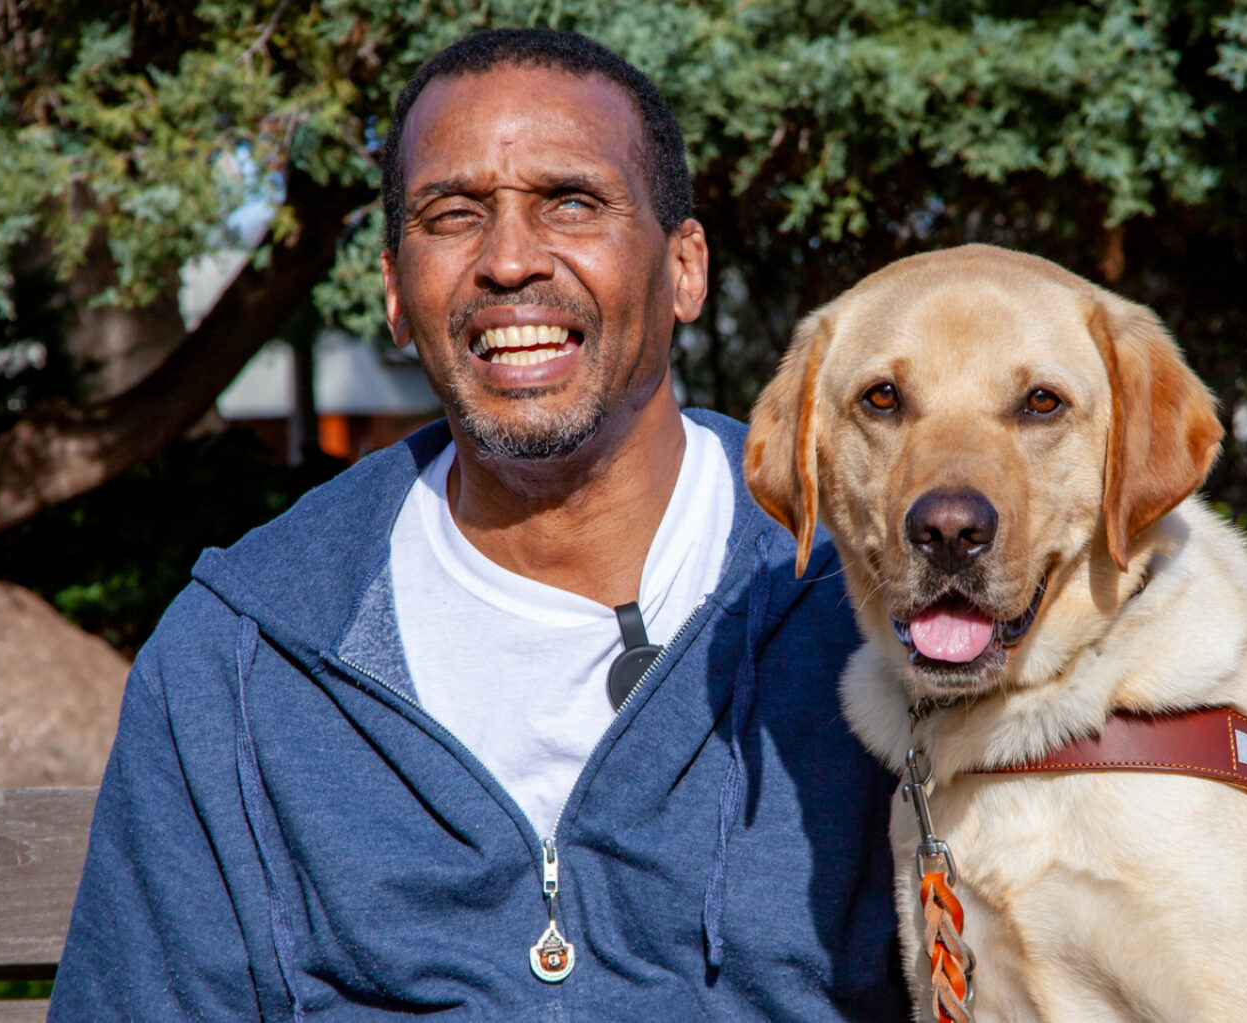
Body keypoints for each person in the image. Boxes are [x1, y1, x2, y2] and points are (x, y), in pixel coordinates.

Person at [48, 28, 907, 1021]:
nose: (507, 261)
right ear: (395, 295)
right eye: (452, 214)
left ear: (685, 268)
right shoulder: (241, 665)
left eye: (572, 203)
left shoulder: (866, 603)